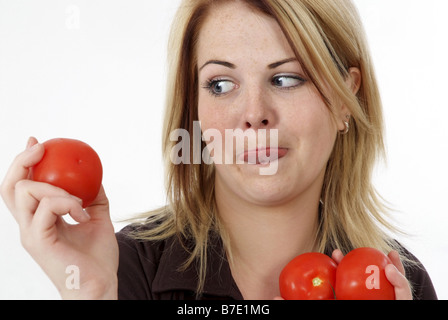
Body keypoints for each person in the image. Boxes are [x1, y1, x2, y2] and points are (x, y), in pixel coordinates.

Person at [0, 0, 437, 300]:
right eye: (221, 85)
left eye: (286, 79)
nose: (253, 115)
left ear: (345, 100)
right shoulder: (125, 269)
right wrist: (93, 294)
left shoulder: (399, 281)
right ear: (194, 108)